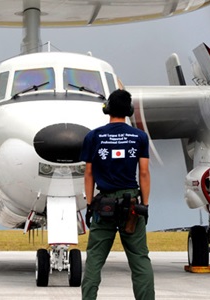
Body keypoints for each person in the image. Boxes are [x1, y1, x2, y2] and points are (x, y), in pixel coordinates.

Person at [79, 89, 154, 300]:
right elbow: (145, 172)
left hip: (104, 205)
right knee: (139, 258)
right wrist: (145, 205)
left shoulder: (93, 137)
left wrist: (90, 204)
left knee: (94, 258)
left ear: (108, 109)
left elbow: (88, 173)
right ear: (129, 110)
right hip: (131, 204)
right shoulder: (140, 137)